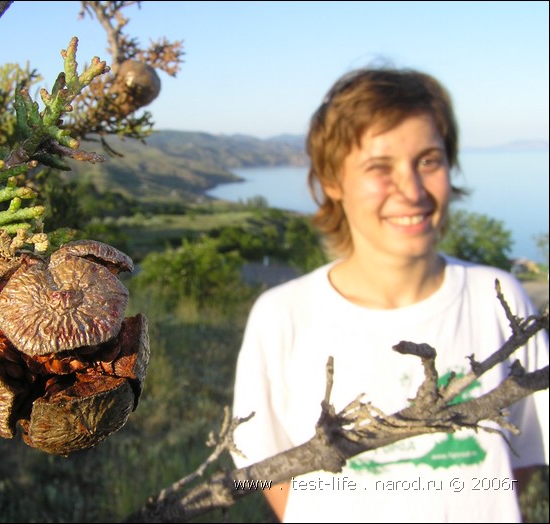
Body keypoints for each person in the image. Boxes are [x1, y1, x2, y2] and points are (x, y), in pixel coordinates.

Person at [230, 66, 549, 523]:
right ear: (333, 182)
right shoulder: (283, 316)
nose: (413, 190)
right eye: (379, 167)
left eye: (429, 160)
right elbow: (259, 465)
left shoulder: (497, 297)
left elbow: (527, 451)